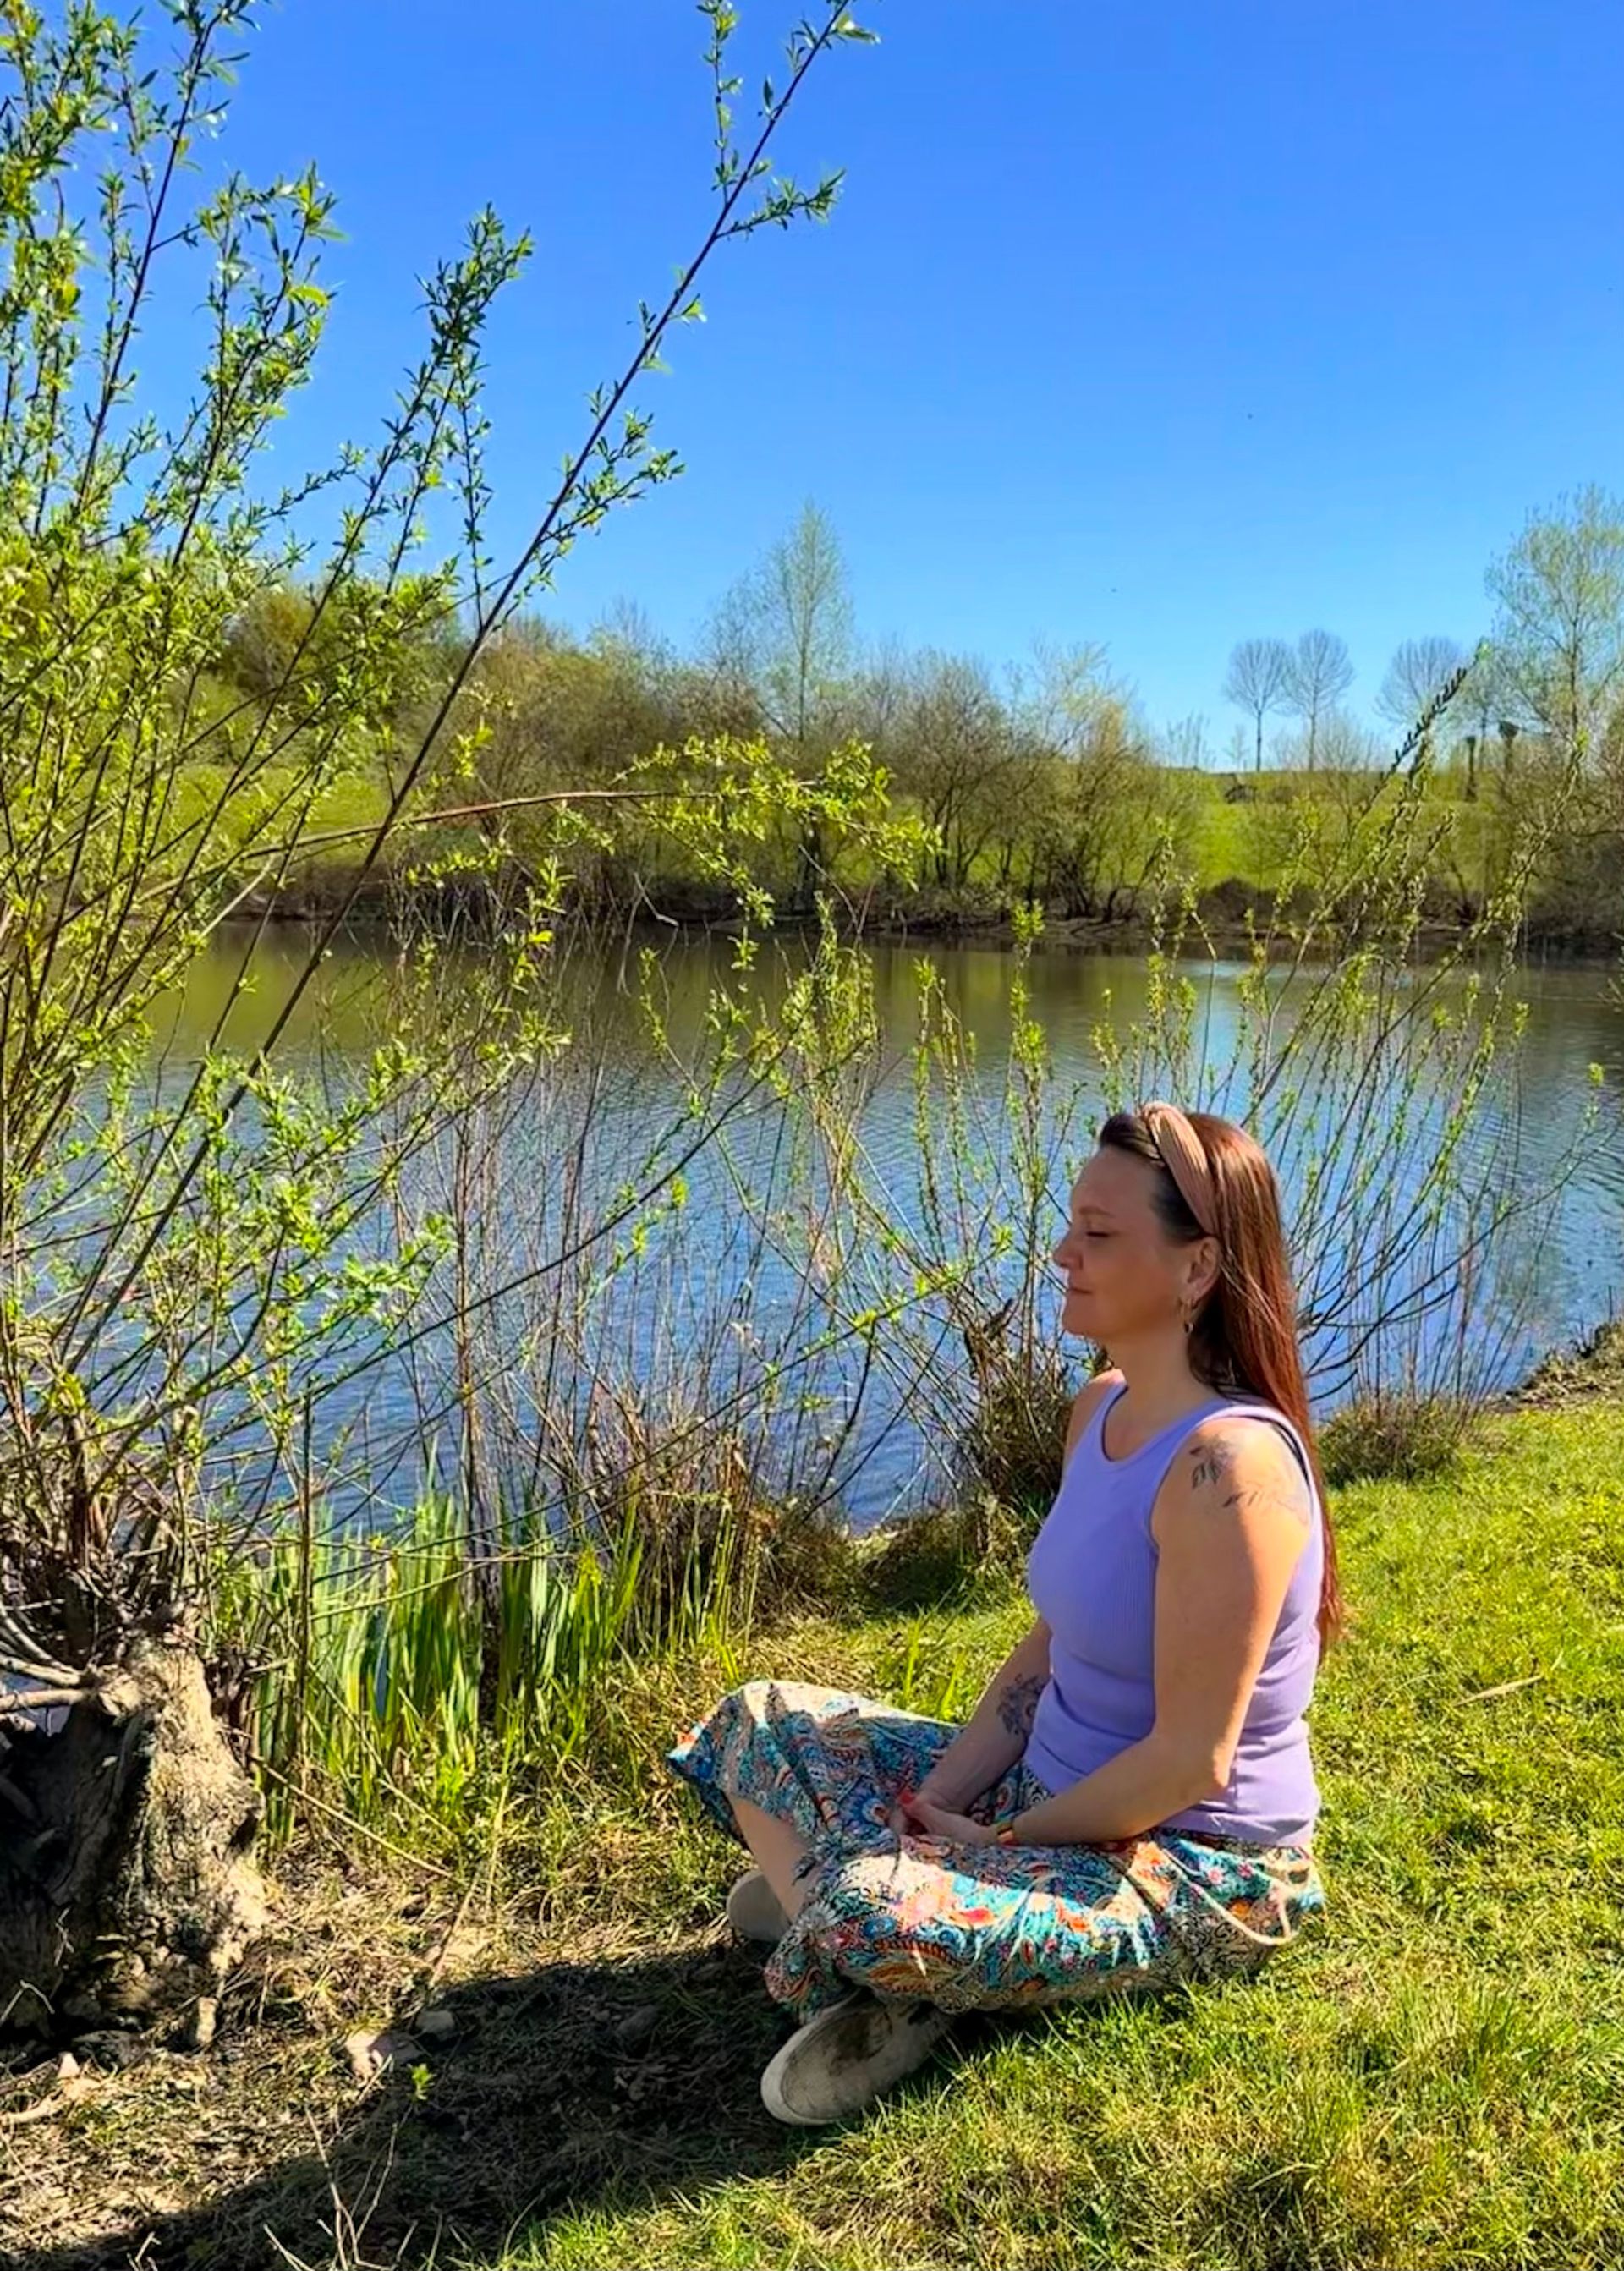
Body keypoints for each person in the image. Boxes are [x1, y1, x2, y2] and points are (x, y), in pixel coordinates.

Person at [667, 1102, 1336, 2126]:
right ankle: (876, 1945)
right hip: (1049, 1791)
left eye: (1099, 1234)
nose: (1063, 1252)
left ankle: (855, 1929)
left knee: (864, 1907)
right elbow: (1053, 1645)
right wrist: (938, 1800)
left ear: (1198, 1269)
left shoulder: (1230, 1471)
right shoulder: (1101, 1407)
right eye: (1071, 1224)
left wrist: (997, 1839)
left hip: (1196, 1860)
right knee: (754, 1720)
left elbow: (1189, 1761)